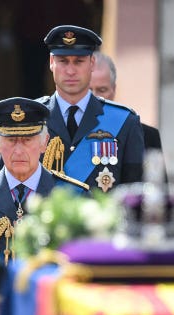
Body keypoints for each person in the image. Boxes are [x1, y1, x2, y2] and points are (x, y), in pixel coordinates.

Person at [0, 97, 89, 315]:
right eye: (11, 140)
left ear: (44, 142)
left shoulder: (73, 195)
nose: (19, 150)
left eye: (28, 139)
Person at [40, 25, 144, 192]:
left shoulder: (124, 122)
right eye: (63, 61)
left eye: (79, 61)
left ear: (92, 63)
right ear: (52, 63)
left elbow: (134, 193)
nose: (71, 70)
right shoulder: (32, 119)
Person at [89, 51, 165, 156]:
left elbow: (154, 172)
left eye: (102, 90)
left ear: (114, 89)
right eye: (87, 90)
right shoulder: (64, 134)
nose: (95, 97)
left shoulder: (147, 136)